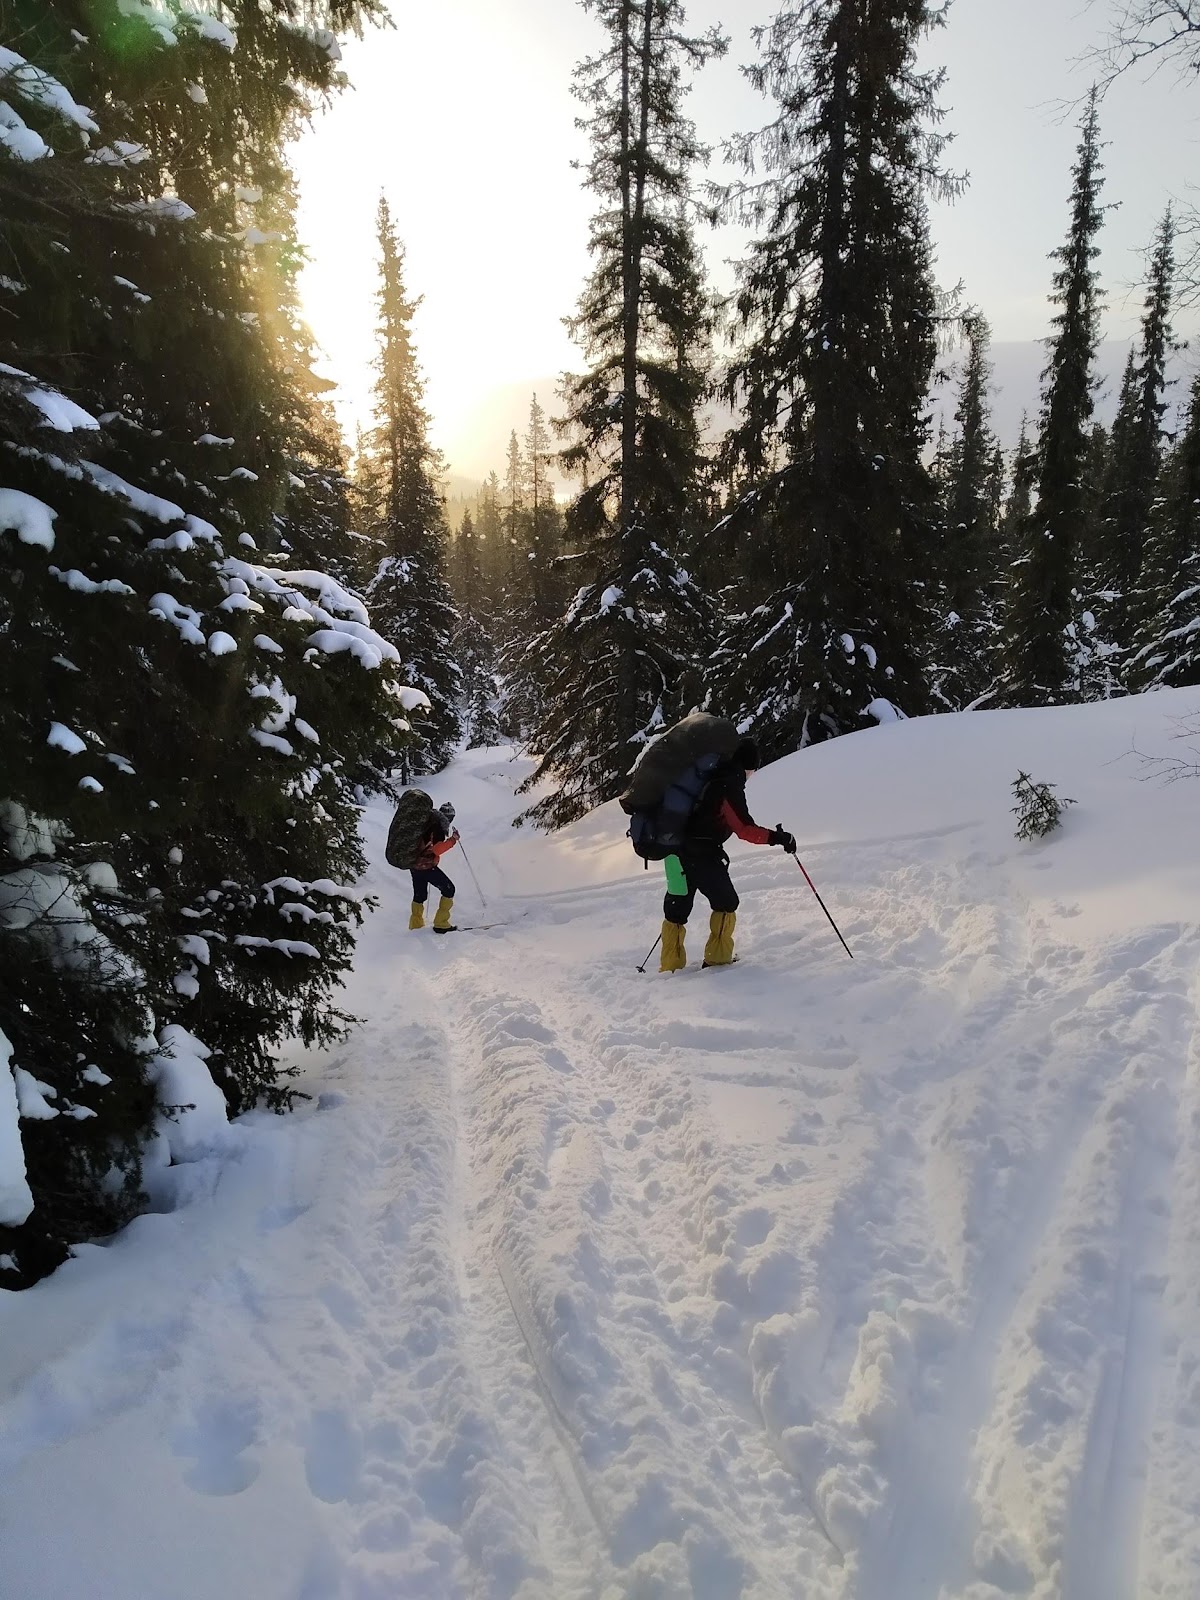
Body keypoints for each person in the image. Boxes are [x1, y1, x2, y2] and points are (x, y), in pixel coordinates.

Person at [660, 739, 795, 972]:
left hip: (673, 851)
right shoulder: (727, 784)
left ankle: (670, 967)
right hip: (701, 854)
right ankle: (718, 960)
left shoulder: (705, 777)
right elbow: (744, 829)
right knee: (726, 903)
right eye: (753, 770)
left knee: (676, 909)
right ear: (747, 766)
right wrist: (779, 838)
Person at [409, 801, 459, 933]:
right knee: (449, 889)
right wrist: (453, 840)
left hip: (414, 865)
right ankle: (441, 923)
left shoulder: (427, 823)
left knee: (419, 895)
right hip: (426, 866)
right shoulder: (437, 827)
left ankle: (415, 925)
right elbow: (437, 849)